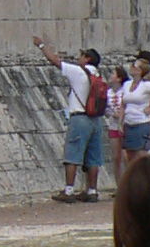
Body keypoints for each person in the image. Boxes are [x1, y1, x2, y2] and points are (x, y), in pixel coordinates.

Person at [36, 37, 112, 202]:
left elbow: (54, 60)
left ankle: (69, 191)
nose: (79, 58)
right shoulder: (97, 75)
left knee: (72, 155)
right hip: (96, 119)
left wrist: (42, 45)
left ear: (88, 59)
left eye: (82, 56)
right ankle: (92, 190)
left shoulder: (79, 71)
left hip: (80, 118)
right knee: (93, 157)